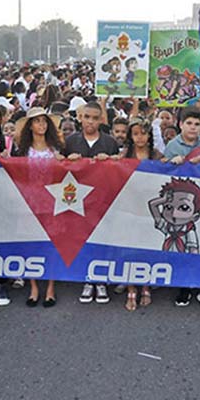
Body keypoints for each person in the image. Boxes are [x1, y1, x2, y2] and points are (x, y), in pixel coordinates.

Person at [64, 101, 120, 304]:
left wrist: (112, 160)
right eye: (87, 117)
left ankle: (101, 280)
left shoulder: (109, 142)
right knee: (82, 239)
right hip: (78, 201)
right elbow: (60, 169)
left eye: (95, 118)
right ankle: (87, 279)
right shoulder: (70, 141)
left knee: (102, 238)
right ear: (81, 118)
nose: (90, 121)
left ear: (101, 120)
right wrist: (67, 160)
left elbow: (120, 169)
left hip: (102, 199)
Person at [12, 107, 65, 308]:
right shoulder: (23, 151)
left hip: (52, 202)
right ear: (30, 125)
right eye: (37, 121)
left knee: (51, 244)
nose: (41, 125)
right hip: (28, 203)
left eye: (44, 121)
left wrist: (67, 161)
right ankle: (33, 286)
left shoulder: (56, 149)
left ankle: (50, 287)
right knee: (30, 244)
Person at [121, 117, 162, 311]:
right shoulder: (124, 155)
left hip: (150, 210)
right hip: (129, 209)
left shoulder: (156, 155)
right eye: (135, 133)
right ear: (130, 136)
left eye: (143, 133)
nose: (139, 137)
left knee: (147, 248)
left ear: (149, 135)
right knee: (130, 249)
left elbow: (171, 168)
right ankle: (131, 289)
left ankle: (145, 285)